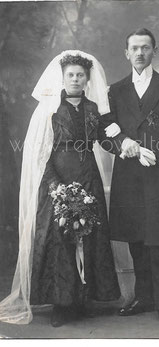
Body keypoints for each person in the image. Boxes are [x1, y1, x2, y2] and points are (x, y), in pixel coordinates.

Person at [0, 51, 121, 327]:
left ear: (87, 79)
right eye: (71, 75)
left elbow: (104, 139)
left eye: (80, 75)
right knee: (59, 240)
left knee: (89, 236)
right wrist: (56, 186)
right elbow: (41, 151)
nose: (76, 79)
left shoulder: (93, 109)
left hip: (88, 175)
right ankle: (61, 303)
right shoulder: (49, 109)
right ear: (63, 78)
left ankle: (82, 299)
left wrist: (125, 148)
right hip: (58, 179)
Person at [100, 28, 159, 327]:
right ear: (126, 53)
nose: (140, 53)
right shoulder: (115, 90)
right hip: (129, 174)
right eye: (134, 48)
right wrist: (123, 143)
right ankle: (143, 297)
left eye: (146, 48)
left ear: (154, 51)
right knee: (137, 239)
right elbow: (105, 130)